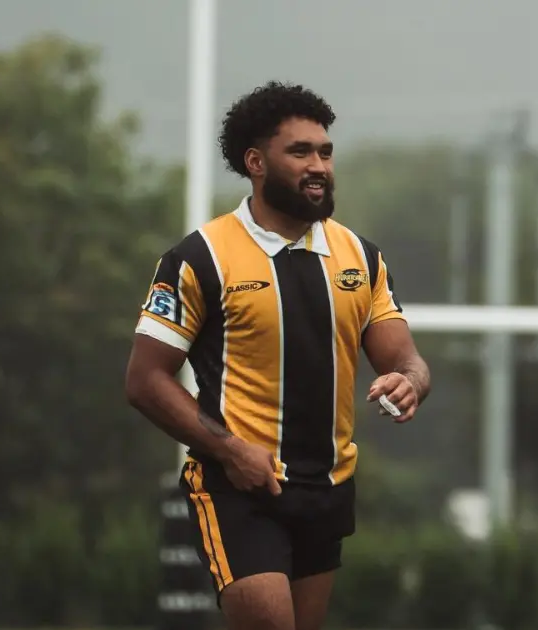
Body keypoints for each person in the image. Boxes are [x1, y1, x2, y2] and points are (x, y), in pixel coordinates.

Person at [124, 81, 431, 630]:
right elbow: (146, 381)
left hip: (328, 489)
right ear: (255, 162)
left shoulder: (361, 256)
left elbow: (406, 360)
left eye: (325, 152)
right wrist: (231, 450)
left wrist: (409, 380)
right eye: (300, 152)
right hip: (240, 490)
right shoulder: (201, 257)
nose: (318, 165)